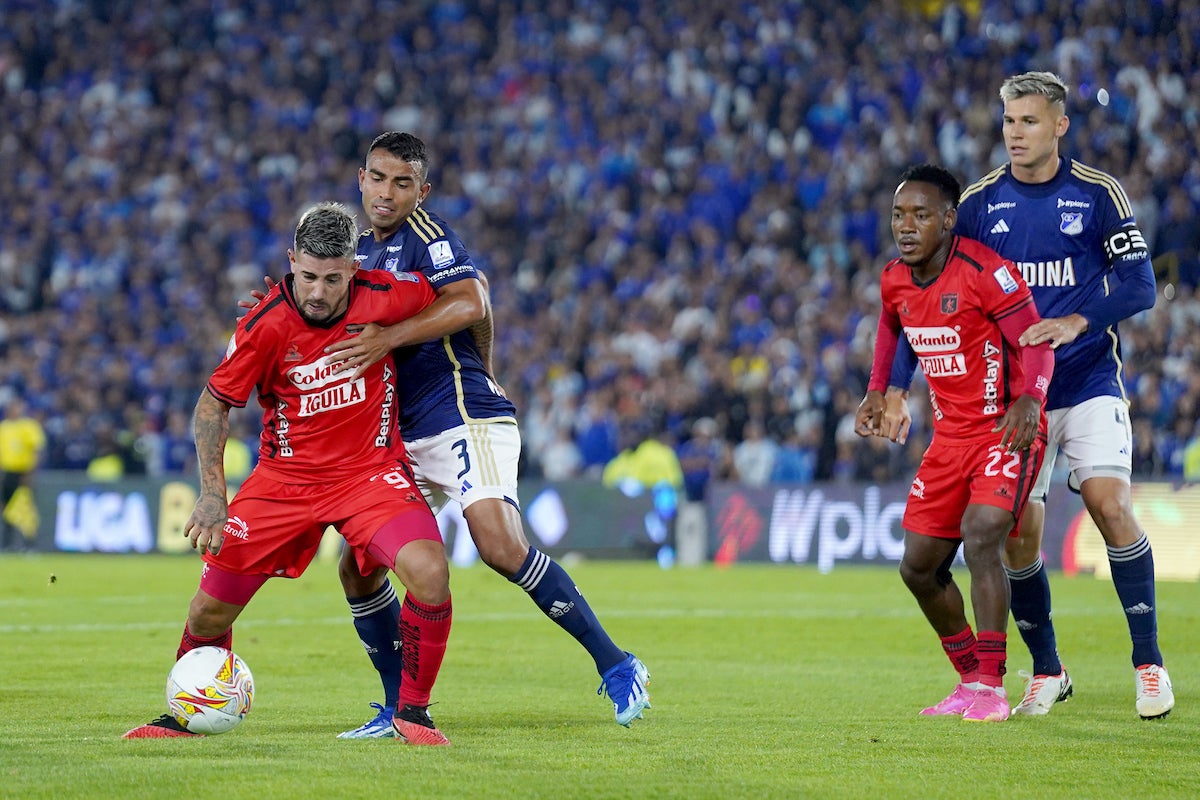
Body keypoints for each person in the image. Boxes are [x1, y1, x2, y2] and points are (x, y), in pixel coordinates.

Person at [322, 132, 649, 735]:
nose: (387, 193)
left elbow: (473, 299)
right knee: (358, 568)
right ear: (360, 179)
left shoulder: (427, 236)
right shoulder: (360, 251)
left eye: (402, 182)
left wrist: (470, 367)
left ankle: (617, 664)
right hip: (404, 433)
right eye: (378, 178)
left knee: (499, 546)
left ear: (422, 190)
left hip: (461, 415)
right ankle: (396, 710)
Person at [889, 72, 1172, 719]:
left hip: (1089, 379)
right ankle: (1047, 671)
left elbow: (1140, 286)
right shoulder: (984, 204)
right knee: (1018, 537)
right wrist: (897, 384)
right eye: (1009, 121)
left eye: (1029, 121)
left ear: (1060, 126)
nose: (1016, 133)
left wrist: (1079, 319)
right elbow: (927, 302)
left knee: (1108, 503)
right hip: (1016, 400)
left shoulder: (1098, 194)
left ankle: (1149, 663)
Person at [124, 202, 455, 745]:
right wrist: (213, 494)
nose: (318, 292)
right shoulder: (265, 324)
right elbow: (212, 404)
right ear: (291, 261)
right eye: (306, 277)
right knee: (207, 611)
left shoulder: (389, 295)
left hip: (370, 475)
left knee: (430, 572)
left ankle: (413, 714)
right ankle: (186, 716)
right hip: (283, 484)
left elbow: (465, 297)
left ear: (354, 267)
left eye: (331, 278)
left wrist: (412, 341)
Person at [855, 163, 1054, 723]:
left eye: (921, 215)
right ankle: (969, 678)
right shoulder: (895, 277)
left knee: (982, 534)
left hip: (1006, 428)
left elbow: (1037, 343)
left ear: (948, 219)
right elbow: (892, 325)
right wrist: (881, 390)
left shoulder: (986, 272)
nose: (907, 226)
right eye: (899, 215)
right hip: (949, 437)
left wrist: (1031, 398)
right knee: (916, 568)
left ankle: (992, 686)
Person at [0, 397, 45, 551]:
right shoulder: (3, 427)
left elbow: (37, 450)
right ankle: (7, 544)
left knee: (26, 509)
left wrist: (31, 472)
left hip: (23, 472)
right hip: (7, 473)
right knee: (7, 508)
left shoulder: (29, 426)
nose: (15, 410)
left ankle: (30, 545)